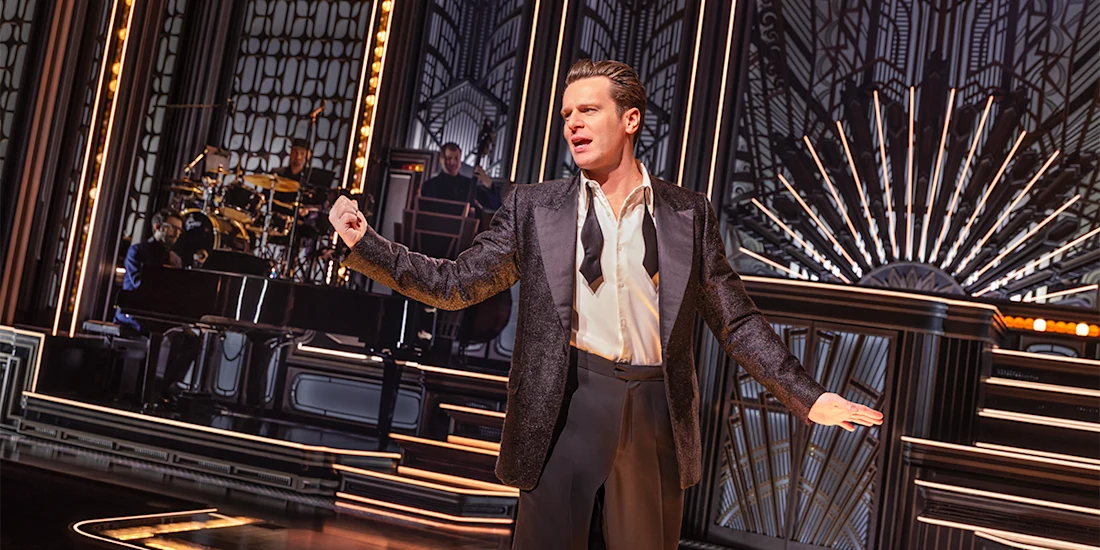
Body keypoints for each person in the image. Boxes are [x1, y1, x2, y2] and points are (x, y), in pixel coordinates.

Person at [330, 59, 883, 550]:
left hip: (653, 409)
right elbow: (455, 284)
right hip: (566, 401)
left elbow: (735, 320)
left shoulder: (688, 214)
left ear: (630, 120)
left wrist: (808, 397)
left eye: (588, 110)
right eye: (567, 112)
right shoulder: (536, 209)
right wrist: (367, 245)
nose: (572, 122)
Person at [115, 209, 200, 407]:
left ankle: (163, 385)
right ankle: (148, 390)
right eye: (173, 229)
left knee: (192, 341)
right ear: (158, 227)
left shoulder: (175, 258)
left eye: (180, 230)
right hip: (134, 312)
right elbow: (137, 284)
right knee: (167, 337)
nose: (177, 234)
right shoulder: (138, 251)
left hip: (160, 313)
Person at [420, 142, 500, 212]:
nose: (453, 162)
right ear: (441, 159)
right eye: (449, 158)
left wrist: (489, 184)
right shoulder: (429, 186)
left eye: (456, 158)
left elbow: (495, 206)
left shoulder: (469, 185)